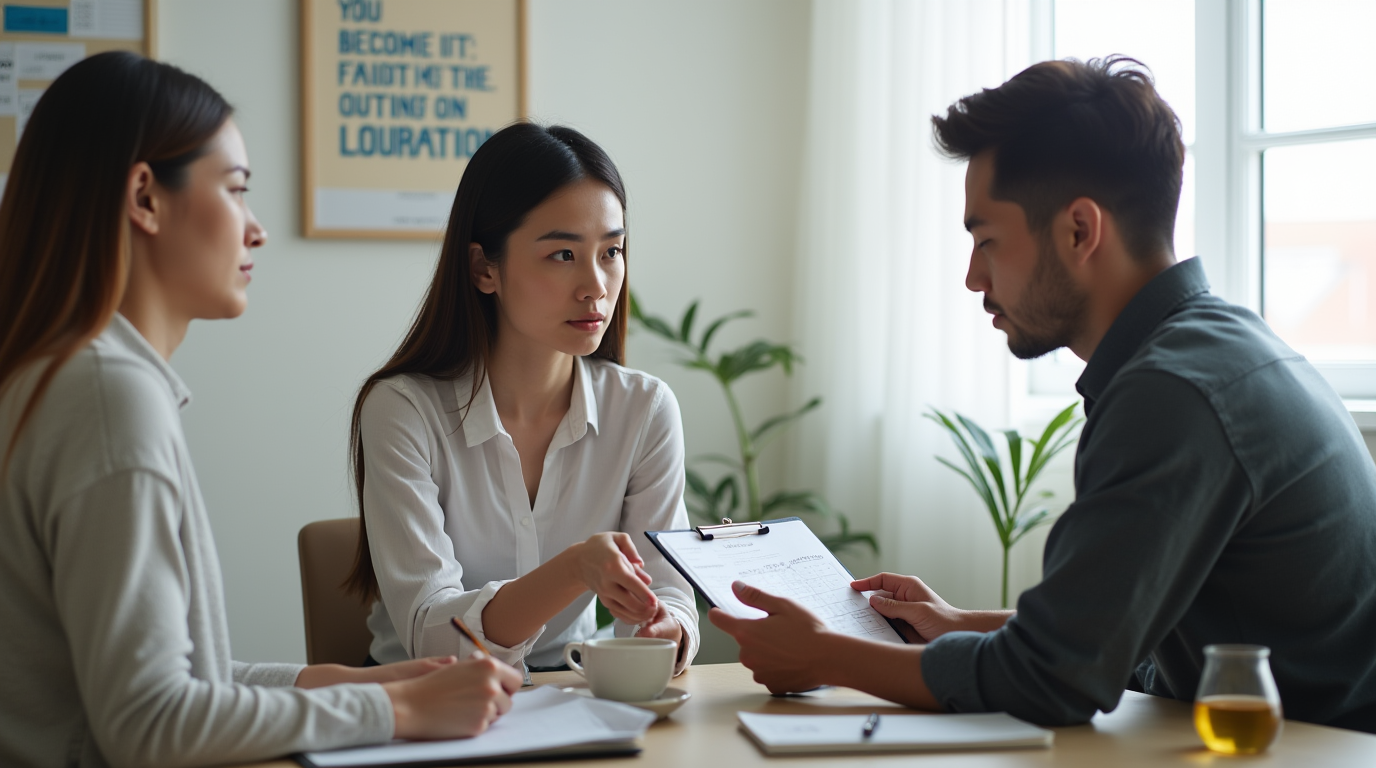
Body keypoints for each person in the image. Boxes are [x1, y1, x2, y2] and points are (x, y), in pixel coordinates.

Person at [710, 56, 1376, 732]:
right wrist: (957, 626)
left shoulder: (1174, 393)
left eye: (988, 240)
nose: (973, 278)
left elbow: (1052, 680)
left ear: (1080, 230)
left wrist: (828, 656)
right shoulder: (1220, 346)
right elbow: (1112, 631)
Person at [0, 52, 522, 768]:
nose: (256, 230)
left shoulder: (59, 378)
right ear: (145, 198)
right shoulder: (106, 399)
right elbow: (148, 723)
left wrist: (337, 683)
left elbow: (169, 685)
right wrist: (394, 709)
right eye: (236, 190)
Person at [346, 123, 699, 674]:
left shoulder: (645, 410)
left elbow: (668, 588)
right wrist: (575, 569)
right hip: (423, 700)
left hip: (572, 692)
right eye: (562, 254)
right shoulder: (403, 410)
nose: (596, 286)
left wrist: (666, 627)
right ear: (484, 268)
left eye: (611, 251)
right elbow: (433, 634)